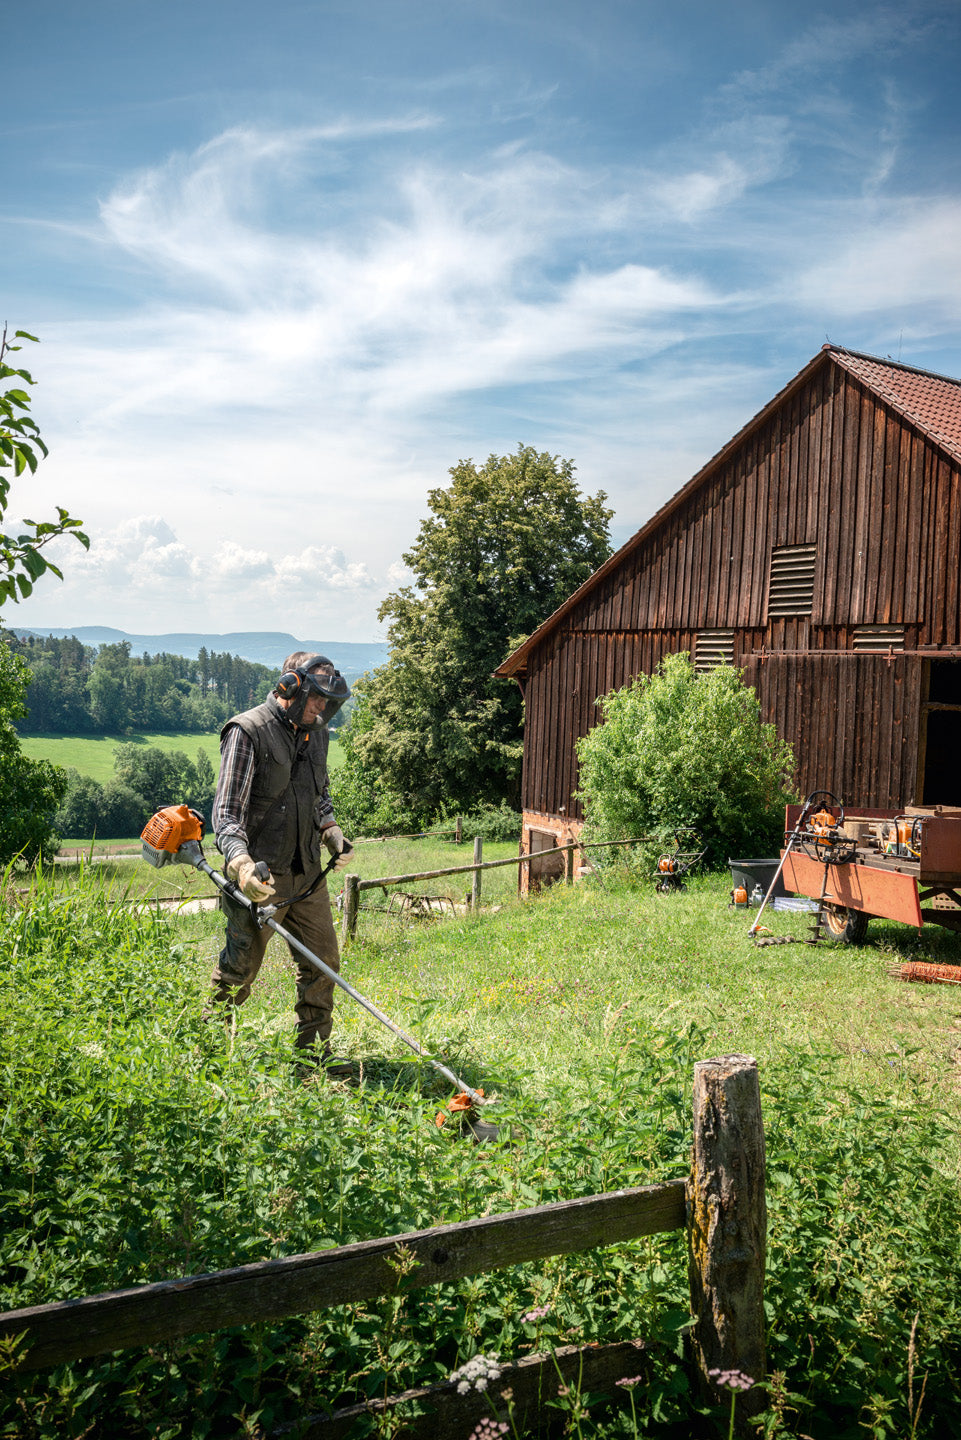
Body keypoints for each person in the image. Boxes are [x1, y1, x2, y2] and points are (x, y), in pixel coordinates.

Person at [208, 651, 355, 1073]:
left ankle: (311, 1056)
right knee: (238, 973)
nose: (322, 708)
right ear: (292, 687)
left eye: (329, 701)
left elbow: (319, 791)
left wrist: (330, 829)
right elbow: (227, 814)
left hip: (307, 871)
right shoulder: (248, 731)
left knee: (322, 965)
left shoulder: (318, 731)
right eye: (316, 698)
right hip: (259, 877)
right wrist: (240, 863)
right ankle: (208, 1054)